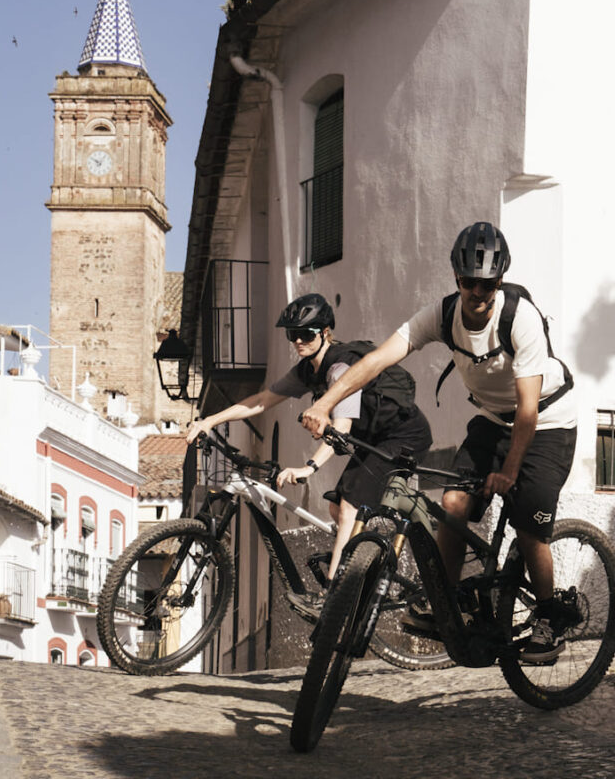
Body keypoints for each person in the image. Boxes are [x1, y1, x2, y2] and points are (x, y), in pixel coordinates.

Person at [301, 221, 575, 664]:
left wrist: (508, 472)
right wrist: (326, 402)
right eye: (470, 282)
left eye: (487, 283)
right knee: (452, 503)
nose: (478, 292)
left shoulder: (520, 319)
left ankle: (549, 617)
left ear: (500, 280)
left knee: (529, 527)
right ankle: (447, 602)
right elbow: (375, 360)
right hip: (491, 419)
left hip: (547, 422)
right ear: (457, 280)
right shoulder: (443, 315)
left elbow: (528, 410)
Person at [186, 292, 429, 582]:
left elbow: (341, 428)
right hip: (374, 439)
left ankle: (335, 593)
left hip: (403, 435)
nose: (298, 341)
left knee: (352, 506)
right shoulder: (306, 371)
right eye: (293, 334)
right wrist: (210, 420)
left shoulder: (340, 369)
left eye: (306, 334)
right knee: (337, 506)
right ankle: (362, 573)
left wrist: (309, 467)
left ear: (326, 333)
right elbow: (262, 400)